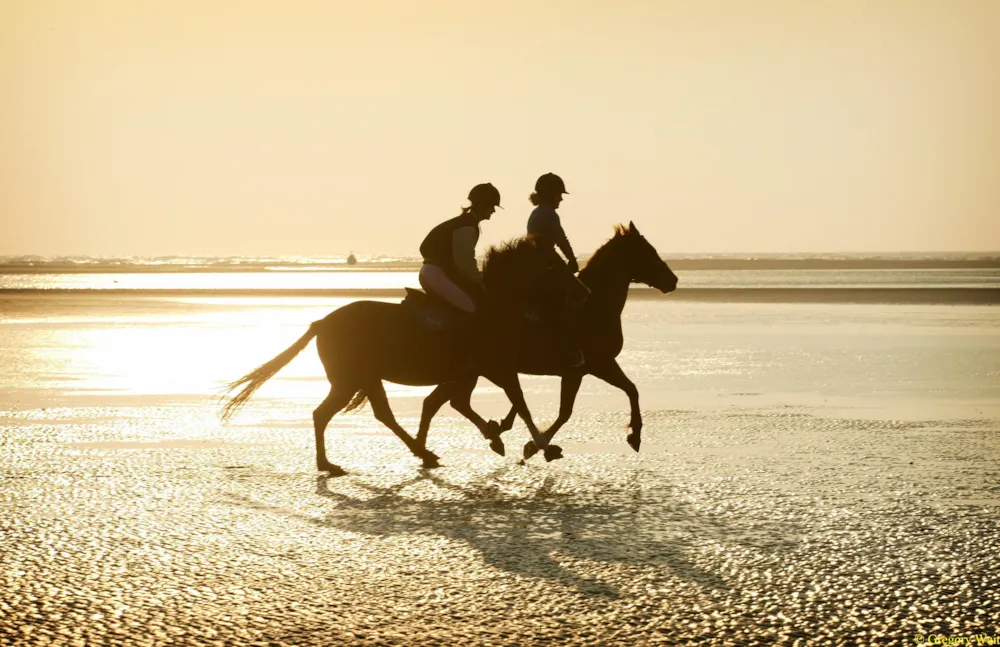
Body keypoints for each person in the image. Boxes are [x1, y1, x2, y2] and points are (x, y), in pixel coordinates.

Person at [526, 173, 585, 368]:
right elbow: (561, 239)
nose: (561, 198)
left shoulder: (537, 213)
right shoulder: (548, 213)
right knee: (577, 295)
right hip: (546, 263)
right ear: (550, 194)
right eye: (559, 194)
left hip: (541, 262)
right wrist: (572, 260)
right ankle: (566, 346)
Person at [418, 183, 502, 315]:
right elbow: (465, 264)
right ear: (482, 205)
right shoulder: (467, 227)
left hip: (433, 273)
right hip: (437, 275)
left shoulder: (466, 222)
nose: (493, 210)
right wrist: (482, 282)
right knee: (472, 309)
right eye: (492, 206)